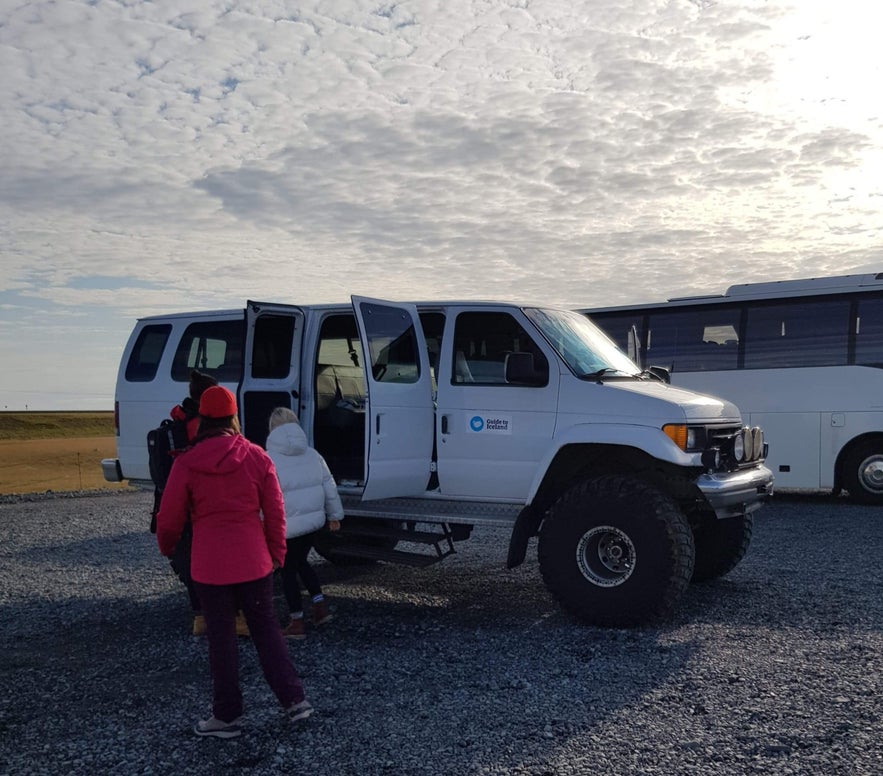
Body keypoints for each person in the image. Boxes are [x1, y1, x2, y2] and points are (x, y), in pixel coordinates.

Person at [155, 386, 311, 739]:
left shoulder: (187, 462)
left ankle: (226, 717)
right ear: (233, 417)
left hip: (210, 568)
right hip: (253, 563)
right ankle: (294, 701)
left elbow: (169, 519)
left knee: (221, 640)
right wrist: (276, 555)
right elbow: (275, 512)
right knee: (267, 632)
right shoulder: (257, 457)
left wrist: (167, 548)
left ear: (203, 419)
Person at [265, 406, 344, 640]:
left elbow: (267, 496)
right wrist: (335, 516)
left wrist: (261, 523)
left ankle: (297, 621)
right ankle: (319, 608)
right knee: (301, 562)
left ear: (272, 429)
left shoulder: (268, 458)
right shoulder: (312, 453)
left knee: (287, 570)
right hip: (313, 522)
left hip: (286, 526)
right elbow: (329, 486)